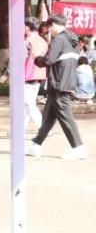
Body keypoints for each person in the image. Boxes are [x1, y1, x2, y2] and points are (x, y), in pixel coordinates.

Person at [28, 13, 86, 160]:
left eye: (49, 28)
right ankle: (36, 145)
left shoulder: (59, 39)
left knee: (66, 117)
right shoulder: (73, 41)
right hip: (65, 82)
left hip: (59, 84)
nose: (49, 31)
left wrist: (36, 57)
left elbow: (49, 60)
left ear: (53, 25)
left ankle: (78, 148)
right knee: (48, 117)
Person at [22, 17, 49, 133]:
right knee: (27, 104)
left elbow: (20, 59)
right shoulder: (43, 41)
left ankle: (44, 128)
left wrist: (7, 73)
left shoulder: (27, 41)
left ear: (27, 27)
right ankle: (19, 129)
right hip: (38, 75)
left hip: (27, 75)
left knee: (28, 104)